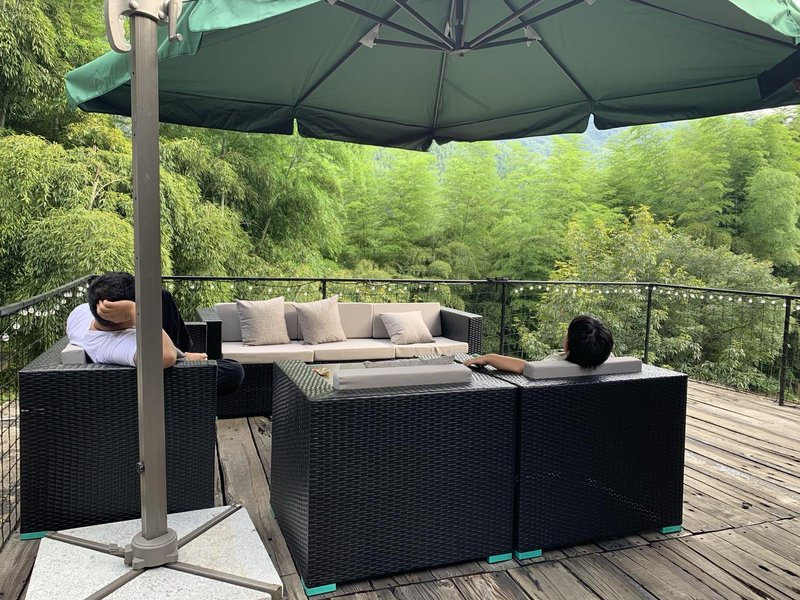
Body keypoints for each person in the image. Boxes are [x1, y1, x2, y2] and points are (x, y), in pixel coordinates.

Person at [67, 271, 244, 396]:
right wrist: (134, 312)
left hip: (159, 352)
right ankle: (186, 359)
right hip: (162, 380)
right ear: (118, 316)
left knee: (161, 296)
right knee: (233, 371)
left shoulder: (80, 314)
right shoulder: (116, 346)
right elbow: (167, 356)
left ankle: (185, 354)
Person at [464, 314, 613, 373]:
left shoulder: (552, 366)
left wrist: (488, 358)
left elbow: (524, 367)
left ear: (567, 345)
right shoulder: (610, 362)